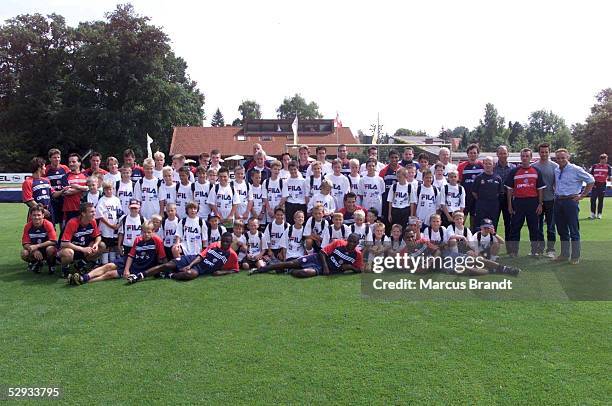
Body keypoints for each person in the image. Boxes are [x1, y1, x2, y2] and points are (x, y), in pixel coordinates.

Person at [69, 221, 166, 285]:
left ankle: (82, 281)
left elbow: (162, 258)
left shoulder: (157, 240)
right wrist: (126, 269)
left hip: (141, 267)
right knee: (108, 266)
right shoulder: (138, 240)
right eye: (144, 232)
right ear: (141, 231)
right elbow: (131, 256)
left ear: (153, 231)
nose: (146, 234)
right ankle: (84, 277)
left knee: (109, 274)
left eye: (149, 232)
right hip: (131, 261)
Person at [129, 232, 238, 282]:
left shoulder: (232, 255)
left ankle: (169, 275)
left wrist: (225, 272)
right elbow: (200, 256)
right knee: (168, 264)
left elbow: (235, 270)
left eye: (227, 242)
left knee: (191, 274)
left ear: (231, 242)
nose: (224, 243)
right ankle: (139, 276)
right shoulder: (214, 245)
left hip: (199, 269)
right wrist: (189, 265)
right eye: (223, 241)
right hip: (192, 260)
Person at [253, 234, 363, 278]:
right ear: (347, 240)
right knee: (291, 263)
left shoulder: (357, 255)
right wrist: (325, 267)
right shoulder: (339, 243)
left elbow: (359, 269)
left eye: (354, 243)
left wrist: (351, 267)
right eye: (350, 241)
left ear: (357, 244)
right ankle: (263, 269)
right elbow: (322, 252)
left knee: (302, 273)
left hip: (322, 269)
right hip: (319, 260)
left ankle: (289, 271)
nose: (351, 244)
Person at [553, 149, 595, 264]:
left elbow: (591, 180)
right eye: (558, 158)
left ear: (568, 157)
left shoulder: (575, 169)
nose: (560, 160)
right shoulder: (557, 170)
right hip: (558, 201)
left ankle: (575, 256)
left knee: (573, 230)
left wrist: (582, 195)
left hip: (570, 201)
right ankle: (564, 254)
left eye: (563, 157)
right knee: (561, 230)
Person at [505, 148, 546, 257]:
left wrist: (540, 204)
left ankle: (534, 251)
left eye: (527, 156)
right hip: (518, 202)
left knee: (534, 228)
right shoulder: (514, 171)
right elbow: (509, 189)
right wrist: (509, 205)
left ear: (531, 157)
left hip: (533, 202)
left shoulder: (536, 171)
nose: (524, 158)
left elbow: (540, 189)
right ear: (520, 157)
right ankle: (514, 251)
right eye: (523, 156)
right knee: (515, 228)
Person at [59, 202, 105, 276]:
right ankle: (65, 268)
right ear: (83, 213)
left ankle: (81, 264)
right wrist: (82, 249)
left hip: (84, 249)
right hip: (71, 249)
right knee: (68, 253)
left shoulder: (93, 221)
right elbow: (64, 243)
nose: (94, 214)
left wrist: (96, 244)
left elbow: (98, 236)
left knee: (101, 245)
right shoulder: (73, 222)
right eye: (91, 212)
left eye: (94, 211)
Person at [532, 143, 559, 257]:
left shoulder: (555, 166)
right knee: (538, 226)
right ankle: (539, 248)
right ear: (539, 153)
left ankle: (551, 249)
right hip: (537, 201)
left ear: (549, 152)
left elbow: (557, 183)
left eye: (546, 152)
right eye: (542, 152)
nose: (544, 154)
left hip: (551, 200)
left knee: (551, 227)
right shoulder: (533, 166)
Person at [21, 205, 58, 274]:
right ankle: (37, 263)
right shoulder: (27, 226)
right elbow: (25, 243)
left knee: (51, 249)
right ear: (31, 216)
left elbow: (53, 241)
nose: (36, 217)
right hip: (35, 250)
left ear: (43, 215)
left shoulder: (48, 224)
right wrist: (34, 251)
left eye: (39, 215)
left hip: (46, 249)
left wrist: (37, 246)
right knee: (24, 253)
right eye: (34, 215)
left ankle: (51, 264)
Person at [56, 153, 88, 226]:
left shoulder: (86, 176)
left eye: (73, 162)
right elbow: (66, 192)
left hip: (83, 210)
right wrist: (83, 188)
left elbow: (90, 189)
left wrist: (77, 186)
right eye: (69, 162)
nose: (71, 164)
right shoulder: (65, 177)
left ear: (79, 163)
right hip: (69, 210)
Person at [472, 156, 503, 230]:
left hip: (493, 206)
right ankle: (478, 241)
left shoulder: (498, 178)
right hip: (481, 205)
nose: (488, 165)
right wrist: (482, 200)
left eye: (490, 163)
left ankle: (492, 240)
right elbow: (474, 192)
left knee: (493, 226)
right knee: (479, 226)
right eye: (486, 163)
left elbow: (499, 192)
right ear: (483, 165)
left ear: (494, 165)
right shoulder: (479, 178)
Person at [457, 144, 484, 230]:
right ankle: (459, 239)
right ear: (467, 154)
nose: (472, 155)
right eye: (470, 153)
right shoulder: (461, 166)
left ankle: (472, 239)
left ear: (478, 154)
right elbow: (458, 182)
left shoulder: (482, 165)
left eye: (474, 153)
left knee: (474, 221)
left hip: (477, 198)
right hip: (465, 198)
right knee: (461, 220)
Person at [493, 145, 515, 247]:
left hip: (509, 198)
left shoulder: (513, 168)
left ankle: (510, 249)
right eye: (500, 153)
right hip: (496, 198)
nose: (502, 155)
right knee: (493, 223)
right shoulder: (493, 168)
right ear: (497, 154)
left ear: (508, 154)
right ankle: (492, 247)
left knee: (509, 224)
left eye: (504, 153)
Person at [96, 182, 121, 264]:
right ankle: (104, 263)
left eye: (110, 189)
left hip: (115, 227)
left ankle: (112, 262)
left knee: (113, 245)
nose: (109, 191)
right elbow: (100, 215)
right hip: (105, 227)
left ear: (113, 189)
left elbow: (120, 213)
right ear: (104, 190)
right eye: (106, 189)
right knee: (106, 245)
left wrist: (118, 225)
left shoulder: (116, 200)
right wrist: (110, 225)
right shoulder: (102, 200)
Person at [45, 148, 70, 225]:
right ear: (50, 159)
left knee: (63, 223)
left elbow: (69, 179)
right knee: (52, 222)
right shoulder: (46, 169)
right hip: (52, 200)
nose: (57, 159)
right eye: (54, 157)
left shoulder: (65, 168)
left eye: (58, 157)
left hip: (63, 199)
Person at [378, 150, 401, 226]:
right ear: (389, 158)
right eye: (392, 157)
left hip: (398, 202)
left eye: (396, 157)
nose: (394, 159)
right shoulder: (383, 171)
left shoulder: (402, 170)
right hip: (386, 201)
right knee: (386, 223)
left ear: (399, 158)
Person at [589, 153, 611, 219]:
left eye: (606, 159)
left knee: (601, 200)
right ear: (600, 159)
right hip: (595, 184)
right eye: (603, 159)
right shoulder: (594, 166)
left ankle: (599, 214)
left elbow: (610, 177)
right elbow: (591, 176)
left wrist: (610, 184)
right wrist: (592, 184)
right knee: (593, 199)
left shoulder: (608, 167)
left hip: (602, 184)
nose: (604, 161)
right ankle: (592, 214)